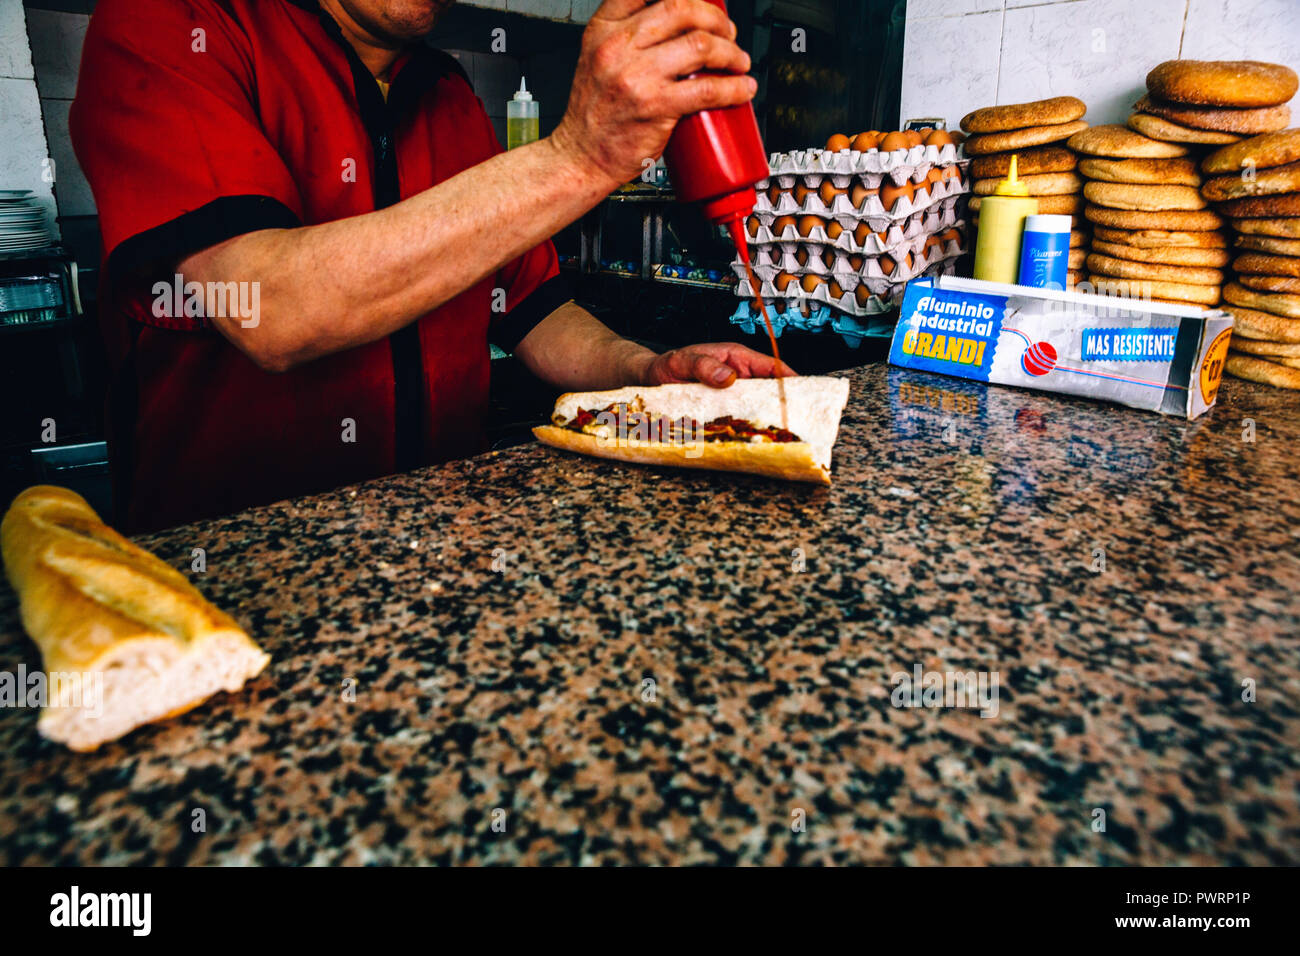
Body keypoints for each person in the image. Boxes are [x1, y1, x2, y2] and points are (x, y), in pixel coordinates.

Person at [70, 0, 791, 532]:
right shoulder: (173, 26)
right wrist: (579, 157)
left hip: (440, 549)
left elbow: (535, 313)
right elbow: (272, 310)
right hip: (239, 568)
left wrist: (644, 372)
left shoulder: (448, 96)